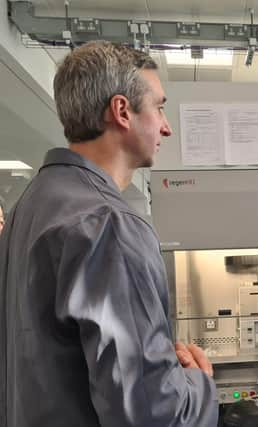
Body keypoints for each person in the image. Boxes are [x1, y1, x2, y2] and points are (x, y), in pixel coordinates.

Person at [0, 41, 218, 426]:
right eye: (160, 107)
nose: (166, 127)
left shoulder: (27, 210)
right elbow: (153, 415)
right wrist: (198, 385)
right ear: (122, 111)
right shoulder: (107, 225)